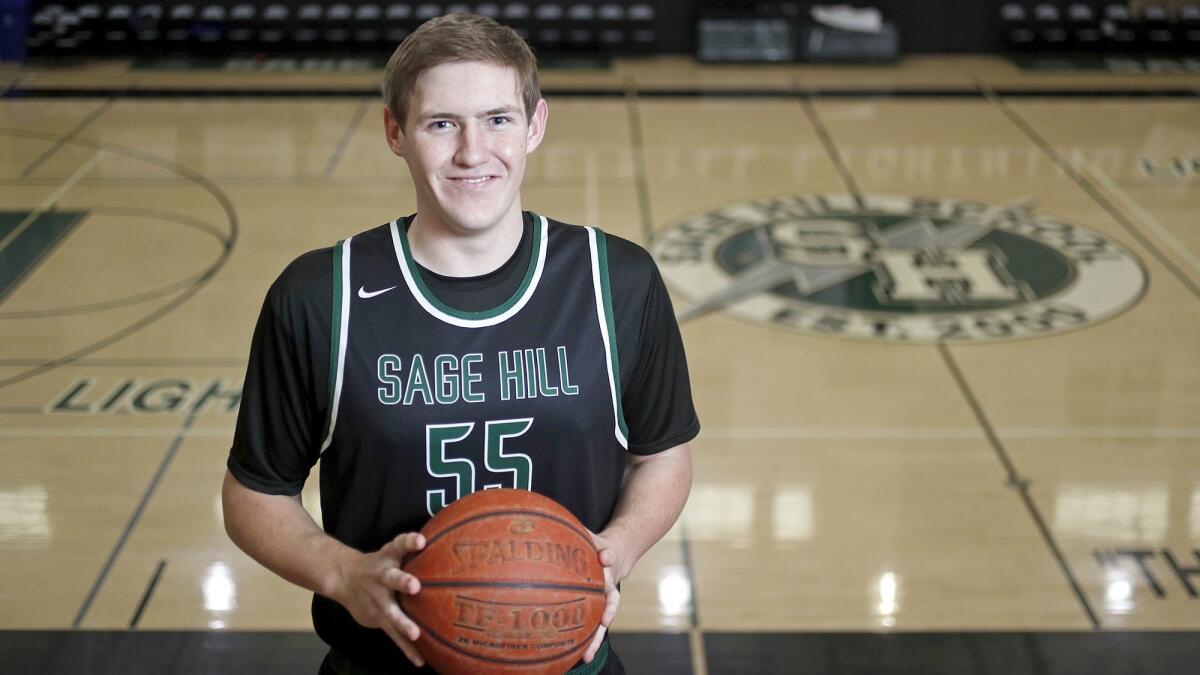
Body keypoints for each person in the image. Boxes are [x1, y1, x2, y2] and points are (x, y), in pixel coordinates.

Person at [222, 13, 698, 675]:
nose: (473, 152)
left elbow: (664, 455)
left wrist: (620, 545)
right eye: (442, 123)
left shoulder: (614, 280)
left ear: (535, 125)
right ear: (396, 132)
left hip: (568, 663)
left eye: (498, 119)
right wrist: (343, 571)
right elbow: (254, 493)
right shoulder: (320, 295)